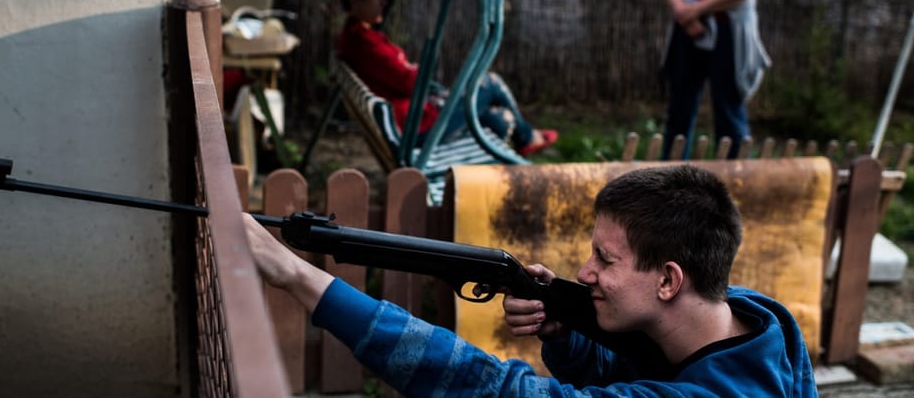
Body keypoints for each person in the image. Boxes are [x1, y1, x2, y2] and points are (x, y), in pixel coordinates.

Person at [242, 164, 817, 396]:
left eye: (605, 260)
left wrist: (299, 277)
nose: (584, 273)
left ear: (669, 281)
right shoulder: (751, 321)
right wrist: (565, 331)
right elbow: (633, 371)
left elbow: (494, 390)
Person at [336, 0, 558, 157]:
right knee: (490, 83)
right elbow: (412, 82)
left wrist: (411, 70)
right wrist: (414, 69)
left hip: (414, 120)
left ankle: (524, 138)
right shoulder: (364, 43)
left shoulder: (355, 38)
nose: (383, 2)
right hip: (418, 128)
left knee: (498, 120)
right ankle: (528, 138)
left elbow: (403, 76)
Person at [659, 0, 771, 159]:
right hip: (687, 29)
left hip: (729, 30)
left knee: (728, 109)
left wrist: (697, 9)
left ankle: (737, 173)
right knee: (679, 109)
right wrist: (683, 12)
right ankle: (671, 173)